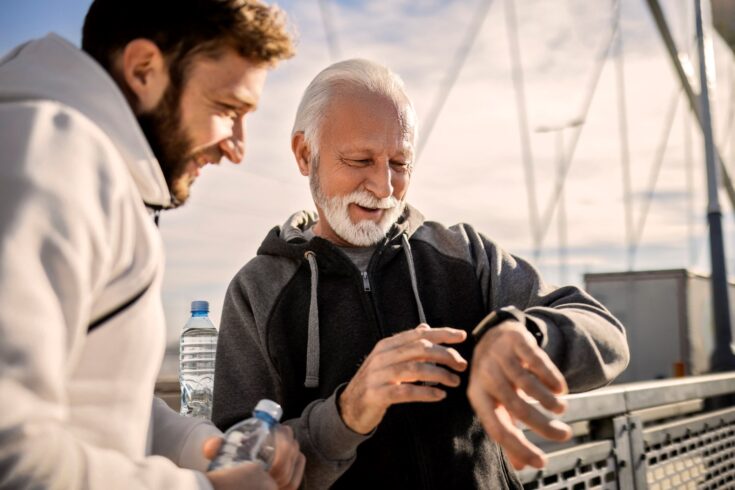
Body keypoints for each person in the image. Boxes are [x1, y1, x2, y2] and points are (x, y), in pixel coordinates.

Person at [211, 59, 630, 489]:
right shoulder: (257, 290)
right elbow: (236, 463)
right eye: (360, 160)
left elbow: (607, 334)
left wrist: (529, 335)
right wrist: (346, 415)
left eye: (399, 162)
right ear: (305, 154)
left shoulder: (465, 254)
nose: (384, 187)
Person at [0, 1, 305, 489]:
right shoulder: (49, 156)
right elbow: (10, 453)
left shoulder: (91, 168)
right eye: (228, 109)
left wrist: (201, 448)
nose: (237, 147)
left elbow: (94, 396)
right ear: (144, 70)